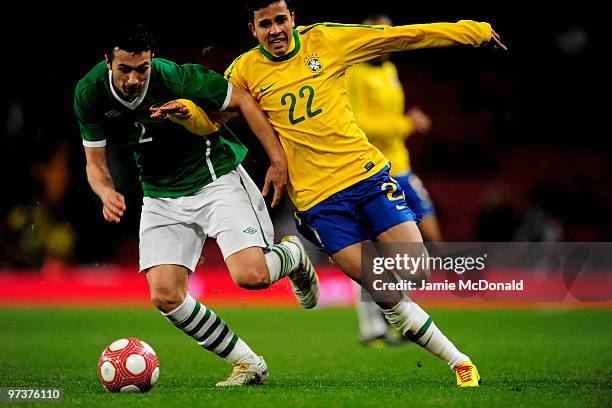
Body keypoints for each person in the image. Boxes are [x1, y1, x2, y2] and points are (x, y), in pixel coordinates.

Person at [225, 0, 506, 387]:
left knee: (416, 270)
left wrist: (471, 31)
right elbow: (214, 108)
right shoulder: (243, 70)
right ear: (252, 29)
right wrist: (185, 111)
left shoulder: (327, 40)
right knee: (385, 289)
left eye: (280, 20)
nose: (274, 30)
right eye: (264, 24)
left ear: (293, 19)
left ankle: (359, 292)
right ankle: (461, 363)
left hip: (366, 178)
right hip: (319, 203)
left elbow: (404, 37)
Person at [74, 24, 319, 387]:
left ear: (151, 61)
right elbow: (95, 164)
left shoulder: (175, 77)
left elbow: (242, 100)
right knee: (165, 295)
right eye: (124, 69)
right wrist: (106, 192)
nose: (133, 79)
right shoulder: (90, 93)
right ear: (107, 61)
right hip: (159, 193)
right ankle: (248, 363)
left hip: (214, 179)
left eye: (142, 68)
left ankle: (294, 256)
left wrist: (277, 159)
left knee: (251, 276)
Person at [345, 14, 441, 347]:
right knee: (374, 249)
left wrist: (403, 126)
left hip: (401, 164)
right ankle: (374, 327)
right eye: (374, 33)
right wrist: (407, 124)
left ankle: (400, 314)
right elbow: (361, 124)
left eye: (386, 33)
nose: (381, 39)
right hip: (371, 168)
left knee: (427, 235)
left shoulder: (388, 69)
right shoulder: (353, 72)